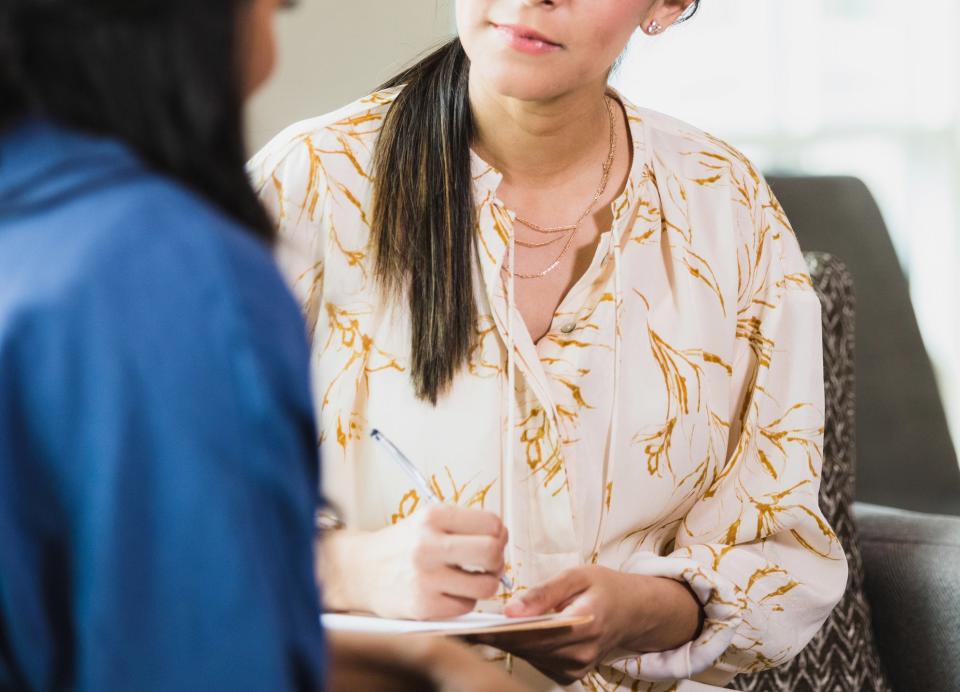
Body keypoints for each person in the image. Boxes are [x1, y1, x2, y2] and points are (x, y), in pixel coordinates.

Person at [249, 0, 848, 689]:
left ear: (667, 6)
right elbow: (158, 519)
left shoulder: (728, 207)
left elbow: (782, 552)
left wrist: (652, 609)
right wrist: (348, 568)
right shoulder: (308, 185)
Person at [0, 1, 526, 691]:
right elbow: (196, 659)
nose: (277, 21)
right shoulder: (178, 272)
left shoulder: (39, 227)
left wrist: (416, 660)